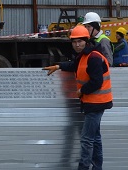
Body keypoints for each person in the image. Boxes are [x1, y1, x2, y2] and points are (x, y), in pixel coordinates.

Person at [45, 25, 113, 170]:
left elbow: (97, 81)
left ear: (86, 41)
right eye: (74, 42)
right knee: (95, 139)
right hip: (93, 102)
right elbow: (73, 66)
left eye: (80, 41)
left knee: (87, 139)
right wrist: (58, 67)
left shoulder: (93, 57)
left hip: (96, 103)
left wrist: (81, 91)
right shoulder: (83, 56)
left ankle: (84, 167)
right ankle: (97, 167)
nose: (77, 45)